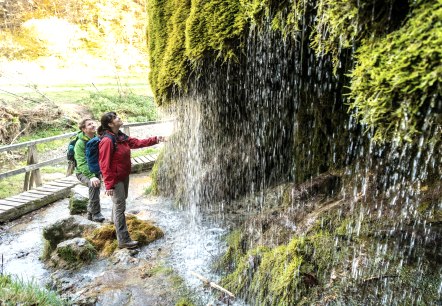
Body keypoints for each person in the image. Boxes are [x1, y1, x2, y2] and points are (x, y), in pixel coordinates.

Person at [98, 112, 166, 249]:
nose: (119, 118)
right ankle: (123, 240)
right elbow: (104, 164)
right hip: (115, 178)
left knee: (120, 202)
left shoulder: (120, 136)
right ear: (110, 124)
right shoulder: (107, 141)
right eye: (116, 118)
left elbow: (137, 143)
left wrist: (156, 139)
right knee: (119, 207)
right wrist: (109, 185)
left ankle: (114, 223)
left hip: (123, 175)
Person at [74, 118, 105, 222]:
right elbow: (81, 163)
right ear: (84, 129)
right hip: (82, 172)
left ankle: (90, 215)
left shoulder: (97, 138)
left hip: (95, 170)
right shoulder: (80, 143)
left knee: (95, 188)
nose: (92, 125)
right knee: (94, 184)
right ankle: (96, 213)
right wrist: (91, 176)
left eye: (93, 123)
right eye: (89, 124)